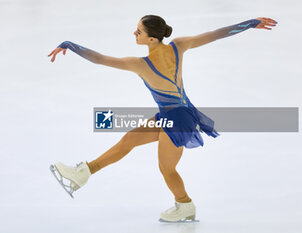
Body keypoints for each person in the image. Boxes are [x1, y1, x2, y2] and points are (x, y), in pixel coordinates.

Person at [48, 15, 277, 222]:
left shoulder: (140, 64)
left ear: (151, 40)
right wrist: (250, 23)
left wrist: (70, 45)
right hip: (177, 114)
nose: (134, 33)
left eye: (139, 31)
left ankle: (185, 204)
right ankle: (83, 174)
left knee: (167, 169)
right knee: (129, 140)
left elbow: (99, 59)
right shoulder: (179, 45)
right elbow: (214, 35)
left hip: (177, 120)